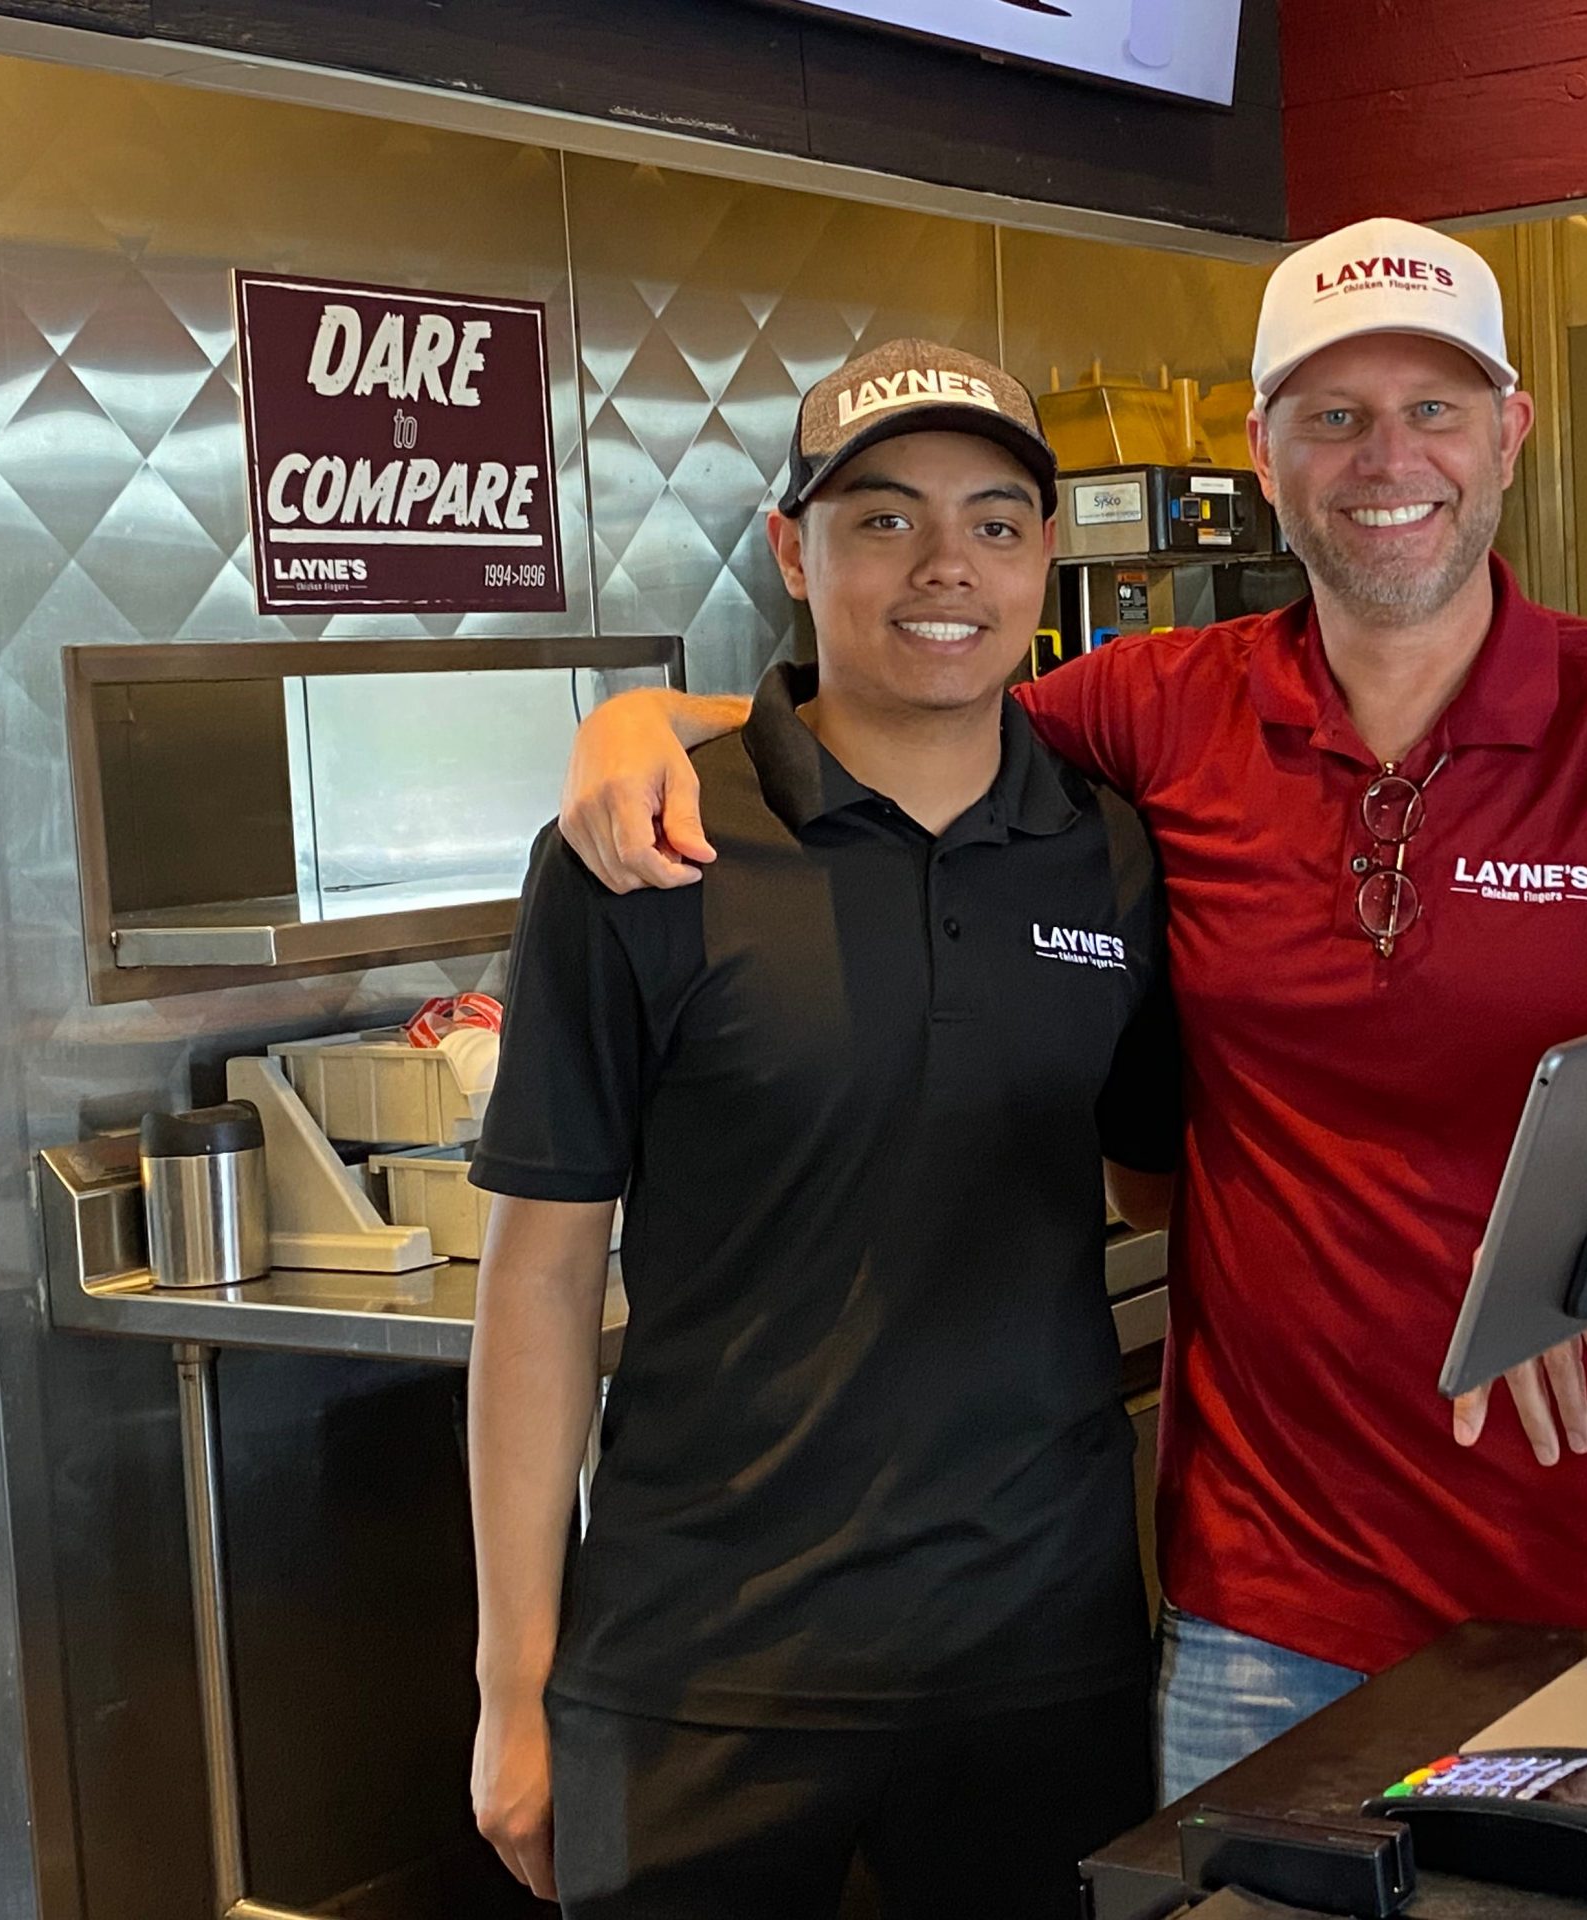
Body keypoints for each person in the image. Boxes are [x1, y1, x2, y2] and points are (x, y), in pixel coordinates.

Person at [551, 218, 1587, 1800]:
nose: (1388, 457)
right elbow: (902, 699)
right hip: (1264, 1610)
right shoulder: (1160, 705)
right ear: (1265, 454)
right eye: (1332, 416)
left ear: (1509, 434)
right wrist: (642, 715)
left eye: (1434, 409)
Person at [464, 339, 1181, 1917]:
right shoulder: (644, 850)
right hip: (698, 1668)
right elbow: (537, 1279)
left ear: (1046, 560)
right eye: (881, 520)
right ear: (793, 549)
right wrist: (515, 1683)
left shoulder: (1113, 857)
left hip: (1037, 1664)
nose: (946, 567)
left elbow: (1159, 1178)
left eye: (997, 523)